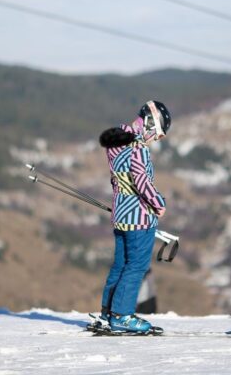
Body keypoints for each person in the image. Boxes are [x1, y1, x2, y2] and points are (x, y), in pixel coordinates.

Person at [97, 100, 171, 333]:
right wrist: (159, 203)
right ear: (150, 124)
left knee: (120, 265)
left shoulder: (116, 144)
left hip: (121, 214)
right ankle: (122, 315)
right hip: (139, 216)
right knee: (137, 266)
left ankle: (108, 311)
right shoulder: (138, 147)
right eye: (157, 135)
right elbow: (141, 181)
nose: (156, 140)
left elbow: (118, 179)